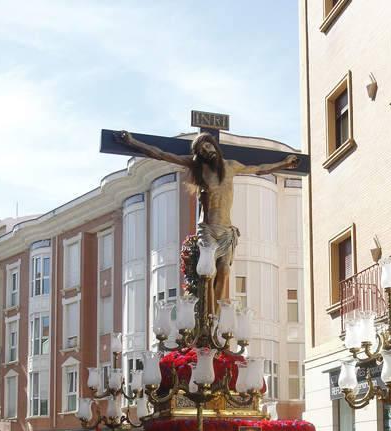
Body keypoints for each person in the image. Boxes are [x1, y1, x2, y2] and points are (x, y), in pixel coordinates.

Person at [118, 129, 299, 313]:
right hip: (207, 230)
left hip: (226, 231)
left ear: (214, 145)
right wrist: (133, 143)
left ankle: (215, 319)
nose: (206, 150)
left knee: (224, 272)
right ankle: (207, 314)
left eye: (207, 145)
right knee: (208, 273)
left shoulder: (231, 166)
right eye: (202, 150)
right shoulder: (198, 168)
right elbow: (162, 154)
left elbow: (260, 169)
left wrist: (284, 163)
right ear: (200, 155)